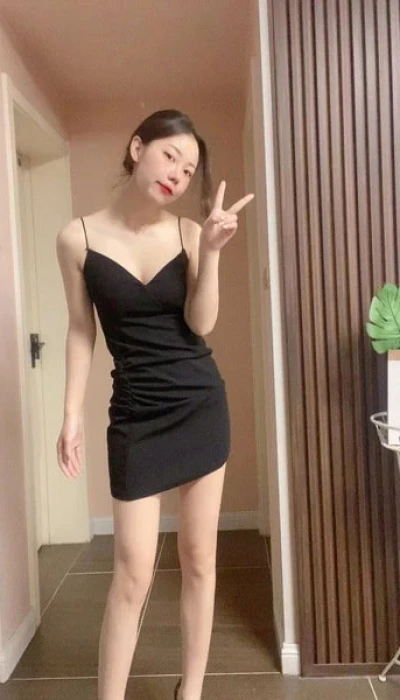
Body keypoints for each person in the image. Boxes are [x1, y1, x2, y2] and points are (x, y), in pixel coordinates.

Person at [56, 109, 254, 700]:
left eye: (189, 170)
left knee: (199, 558)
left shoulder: (190, 233)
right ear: (137, 147)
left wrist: (211, 251)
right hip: (135, 415)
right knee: (132, 572)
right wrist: (70, 413)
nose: (178, 175)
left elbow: (202, 322)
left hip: (199, 405)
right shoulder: (77, 238)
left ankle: (190, 691)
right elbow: (81, 330)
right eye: (171, 157)